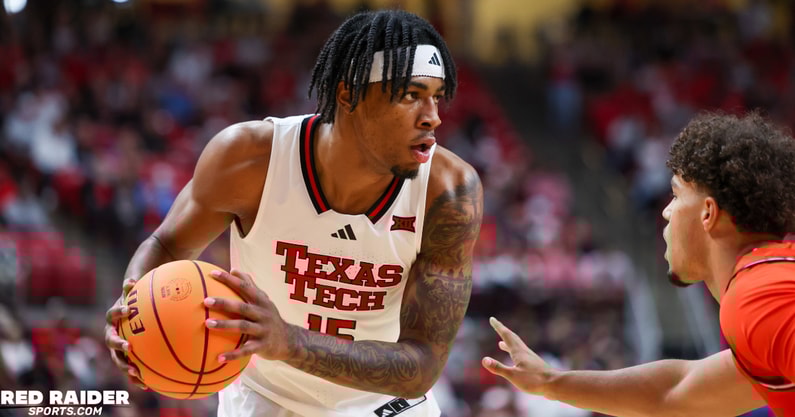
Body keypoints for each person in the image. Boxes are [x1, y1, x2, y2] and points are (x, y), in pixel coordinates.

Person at [104, 9, 483, 417]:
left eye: (436, 96)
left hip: (383, 405)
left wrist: (289, 341)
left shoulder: (449, 192)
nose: (433, 116)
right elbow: (167, 243)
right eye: (411, 95)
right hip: (265, 397)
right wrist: (133, 309)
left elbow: (422, 364)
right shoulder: (250, 158)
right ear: (348, 94)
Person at [482, 112, 795, 416]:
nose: (666, 212)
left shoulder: (757, 296)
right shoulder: (766, 285)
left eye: (675, 195)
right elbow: (672, 393)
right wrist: (550, 382)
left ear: (708, 214)